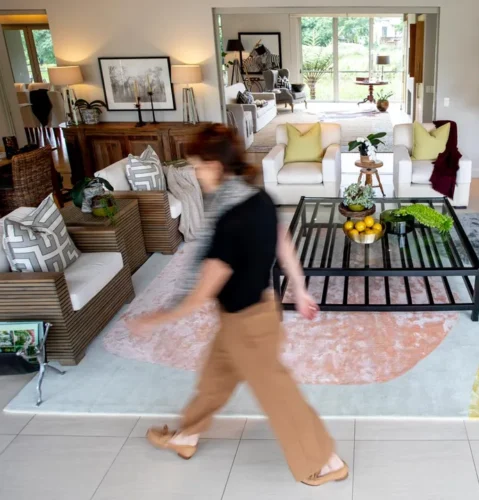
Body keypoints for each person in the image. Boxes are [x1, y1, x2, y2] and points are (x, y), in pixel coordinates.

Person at [127, 124, 347, 486]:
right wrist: (299, 287)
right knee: (215, 379)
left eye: (196, 166)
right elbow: (283, 243)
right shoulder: (258, 199)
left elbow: (202, 291)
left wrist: (157, 319)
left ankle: (324, 461)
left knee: (278, 395)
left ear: (214, 166)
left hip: (248, 325)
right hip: (252, 312)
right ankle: (186, 436)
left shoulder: (229, 221)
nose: (195, 174)